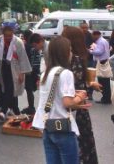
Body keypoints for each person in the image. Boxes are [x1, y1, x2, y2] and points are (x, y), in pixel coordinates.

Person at [32, 36, 89, 164]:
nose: (71, 53)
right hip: (63, 128)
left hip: (47, 127)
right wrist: (81, 96)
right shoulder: (66, 73)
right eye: (69, 50)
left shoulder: (45, 74)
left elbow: (53, 99)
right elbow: (67, 102)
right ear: (64, 53)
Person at [62, 26, 99, 164]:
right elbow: (78, 87)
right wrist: (89, 85)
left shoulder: (59, 61)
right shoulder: (76, 60)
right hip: (76, 109)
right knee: (81, 144)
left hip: (60, 110)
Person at [0, 21, 32, 122]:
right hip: (3, 66)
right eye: (6, 35)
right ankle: (15, 110)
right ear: (3, 33)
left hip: (15, 68)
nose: (8, 37)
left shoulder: (18, 42)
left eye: (10, 35)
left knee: (11, 89)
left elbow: (23, 58)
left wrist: (22, 73)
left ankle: (4, 110)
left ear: (13, 33)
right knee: (6, 89)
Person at [23, 33, 45, 115]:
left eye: (35, 45)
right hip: (33, 71)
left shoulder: (34, 49)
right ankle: (31, 107)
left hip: (32, 72)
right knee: (30, 90)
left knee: (29, 90)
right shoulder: (36, 49)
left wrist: (38, 75)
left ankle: (32, 108)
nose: (34, 47)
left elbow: (37, 63)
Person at [89, 30, 111, 104]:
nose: (92, 37)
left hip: (102, 62)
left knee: (104, 81)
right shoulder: (97, 42)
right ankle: (105, 98)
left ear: (97, 35)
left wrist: (90, 51)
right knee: (102, 81)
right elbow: (92, 48)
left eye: (93, 35)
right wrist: (91, 49)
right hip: (100, 62)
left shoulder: (101, 41)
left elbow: (99, 52)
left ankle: (106, 99)